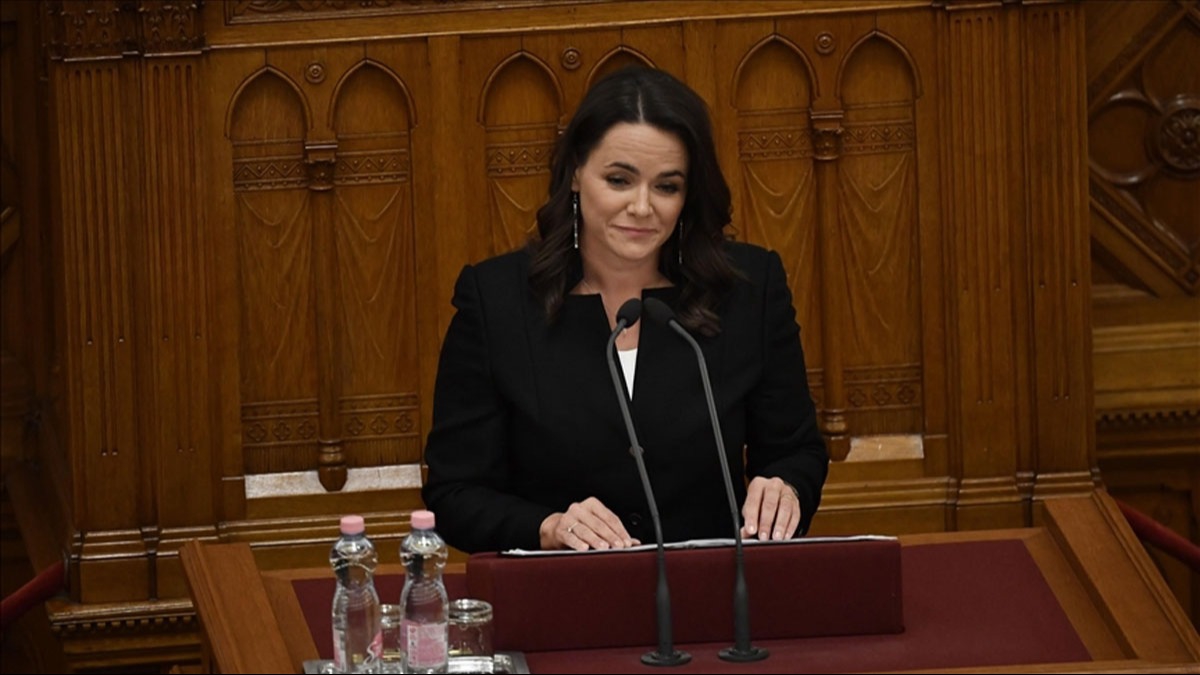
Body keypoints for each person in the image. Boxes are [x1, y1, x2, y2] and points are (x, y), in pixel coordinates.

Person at [422, 66, 828, 554]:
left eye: (667, 186)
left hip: (714, 587)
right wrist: (547, 528)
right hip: (562, 591)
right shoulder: (497, 300)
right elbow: (454, 493)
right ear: (576, 172)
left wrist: (786, 489)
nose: (642, 207)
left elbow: (795, 452)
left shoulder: (748, 289)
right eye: (619, 180)